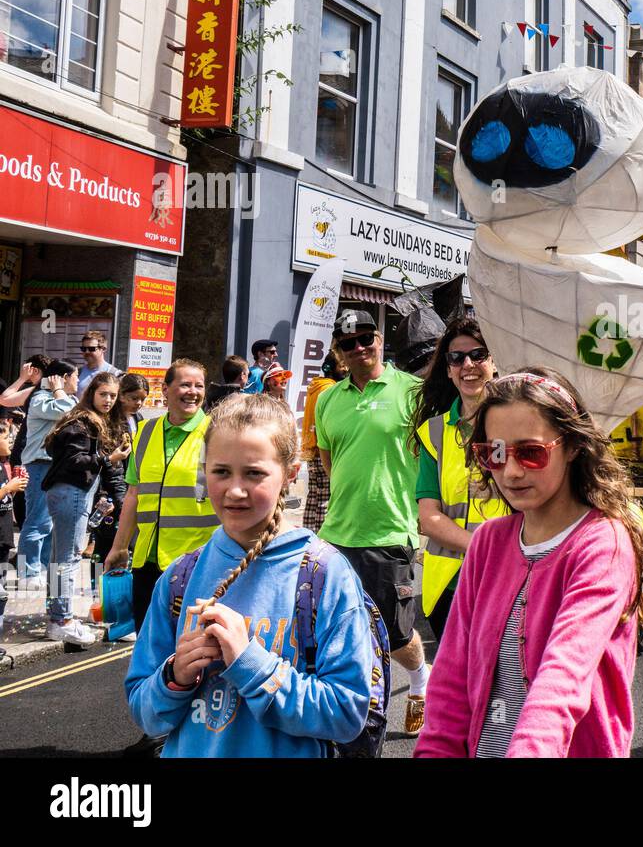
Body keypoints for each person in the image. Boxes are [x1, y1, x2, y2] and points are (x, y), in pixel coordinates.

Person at [416, 369, 643, 757]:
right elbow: (450, 683)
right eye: (493, 453)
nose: (510, 471)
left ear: (574, 446)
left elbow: (562, 680)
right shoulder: (488, 543)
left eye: (531, 452)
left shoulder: (602, 543)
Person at [124, 395, 375, 757]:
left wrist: (249, 663)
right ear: (204, 467)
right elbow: (146, 713)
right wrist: (174, 677)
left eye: (254, 473)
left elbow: (347, 713)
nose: (235, 490)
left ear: (290, 472)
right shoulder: (180, 576)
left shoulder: (324, 575)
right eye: (221, 471)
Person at [313, 309, 429, 736]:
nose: (360, 348)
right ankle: (359, 705)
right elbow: (328, 461)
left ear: (380, 339)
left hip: (390, 531)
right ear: (338, 352)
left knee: (396, 636)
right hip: (335, 535)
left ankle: (420, 679)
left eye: (366, 338)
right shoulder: (328, 399)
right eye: (348, 343)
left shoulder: (411, 390)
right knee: (337, 631)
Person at [410, 316, 510, 642]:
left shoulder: (517, 425)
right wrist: (480, 549)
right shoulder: (434, 432)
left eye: (478, 355)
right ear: (449, 370)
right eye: (457, 358)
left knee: (504, 685)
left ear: (495, 362)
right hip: (448, 587)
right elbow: (428, 518)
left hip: (506, 579)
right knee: (456, 689)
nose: (468, 364)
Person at [106, 360, 219, 632]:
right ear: (165, 390)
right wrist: (120, 547)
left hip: (197, 562)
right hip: (148, 560)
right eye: (185, 384)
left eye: (199, 385)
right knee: (147, 645)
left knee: (192, 649)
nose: (193, 391)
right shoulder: (145, 432)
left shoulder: (216, 433)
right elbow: (134, 493)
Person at [40, 372, 131, 645]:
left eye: (113, 396)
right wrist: (108, 458)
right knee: (67, 559)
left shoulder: (84, 419)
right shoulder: (84, 422)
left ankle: (57, 616)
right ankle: (62, 620)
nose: (108, 400)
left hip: (66, 493)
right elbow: (75, 459)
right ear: (92, 392)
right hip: (73, 493)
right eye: (103, 394)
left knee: (59, 559)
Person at [16, 359, 78, 579]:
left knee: (52, 523)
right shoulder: (41, 399)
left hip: (58, 466)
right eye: (75, 376)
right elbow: (68, 412)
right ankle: (28, 573)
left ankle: (42, 567)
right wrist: (59, 390)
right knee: (37, 521)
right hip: (40, 466)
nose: (78, 382)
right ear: (61, 378)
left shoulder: (67, 398)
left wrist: (62, 392)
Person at [300, 350, 346, 534]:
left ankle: (309, 535)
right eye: (342, 366)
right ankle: (320, 539)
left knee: (314, 497)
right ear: (331, 368)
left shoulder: (315, 386)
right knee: (325, 499)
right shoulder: (329, 389)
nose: (345, 370)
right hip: (323, 449)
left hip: (311, 448)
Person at [0, 419, 28, 634]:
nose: (10, 439)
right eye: (5, 436)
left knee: (1, 594)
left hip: (4, 540)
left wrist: (14, 488)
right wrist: (7, 488)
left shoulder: (3, 465)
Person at [76, 330, 119, 396]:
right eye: (84, 349)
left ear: (103, 349)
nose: (87, 352)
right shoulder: (77, 373)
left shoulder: (115, 374)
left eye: (91, 349)